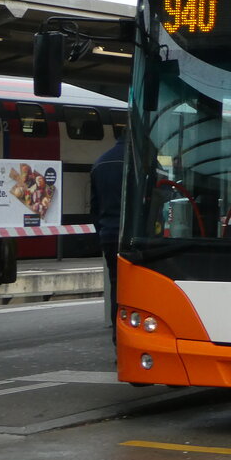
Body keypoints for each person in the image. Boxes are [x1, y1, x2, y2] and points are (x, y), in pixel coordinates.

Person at [90, 133, 126, 321]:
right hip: (132, 238)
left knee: (116, 284)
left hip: (109, 234)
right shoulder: (138, 161)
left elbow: (94, 207)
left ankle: (117, 332)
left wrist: (102, 232)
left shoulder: (100, 162)